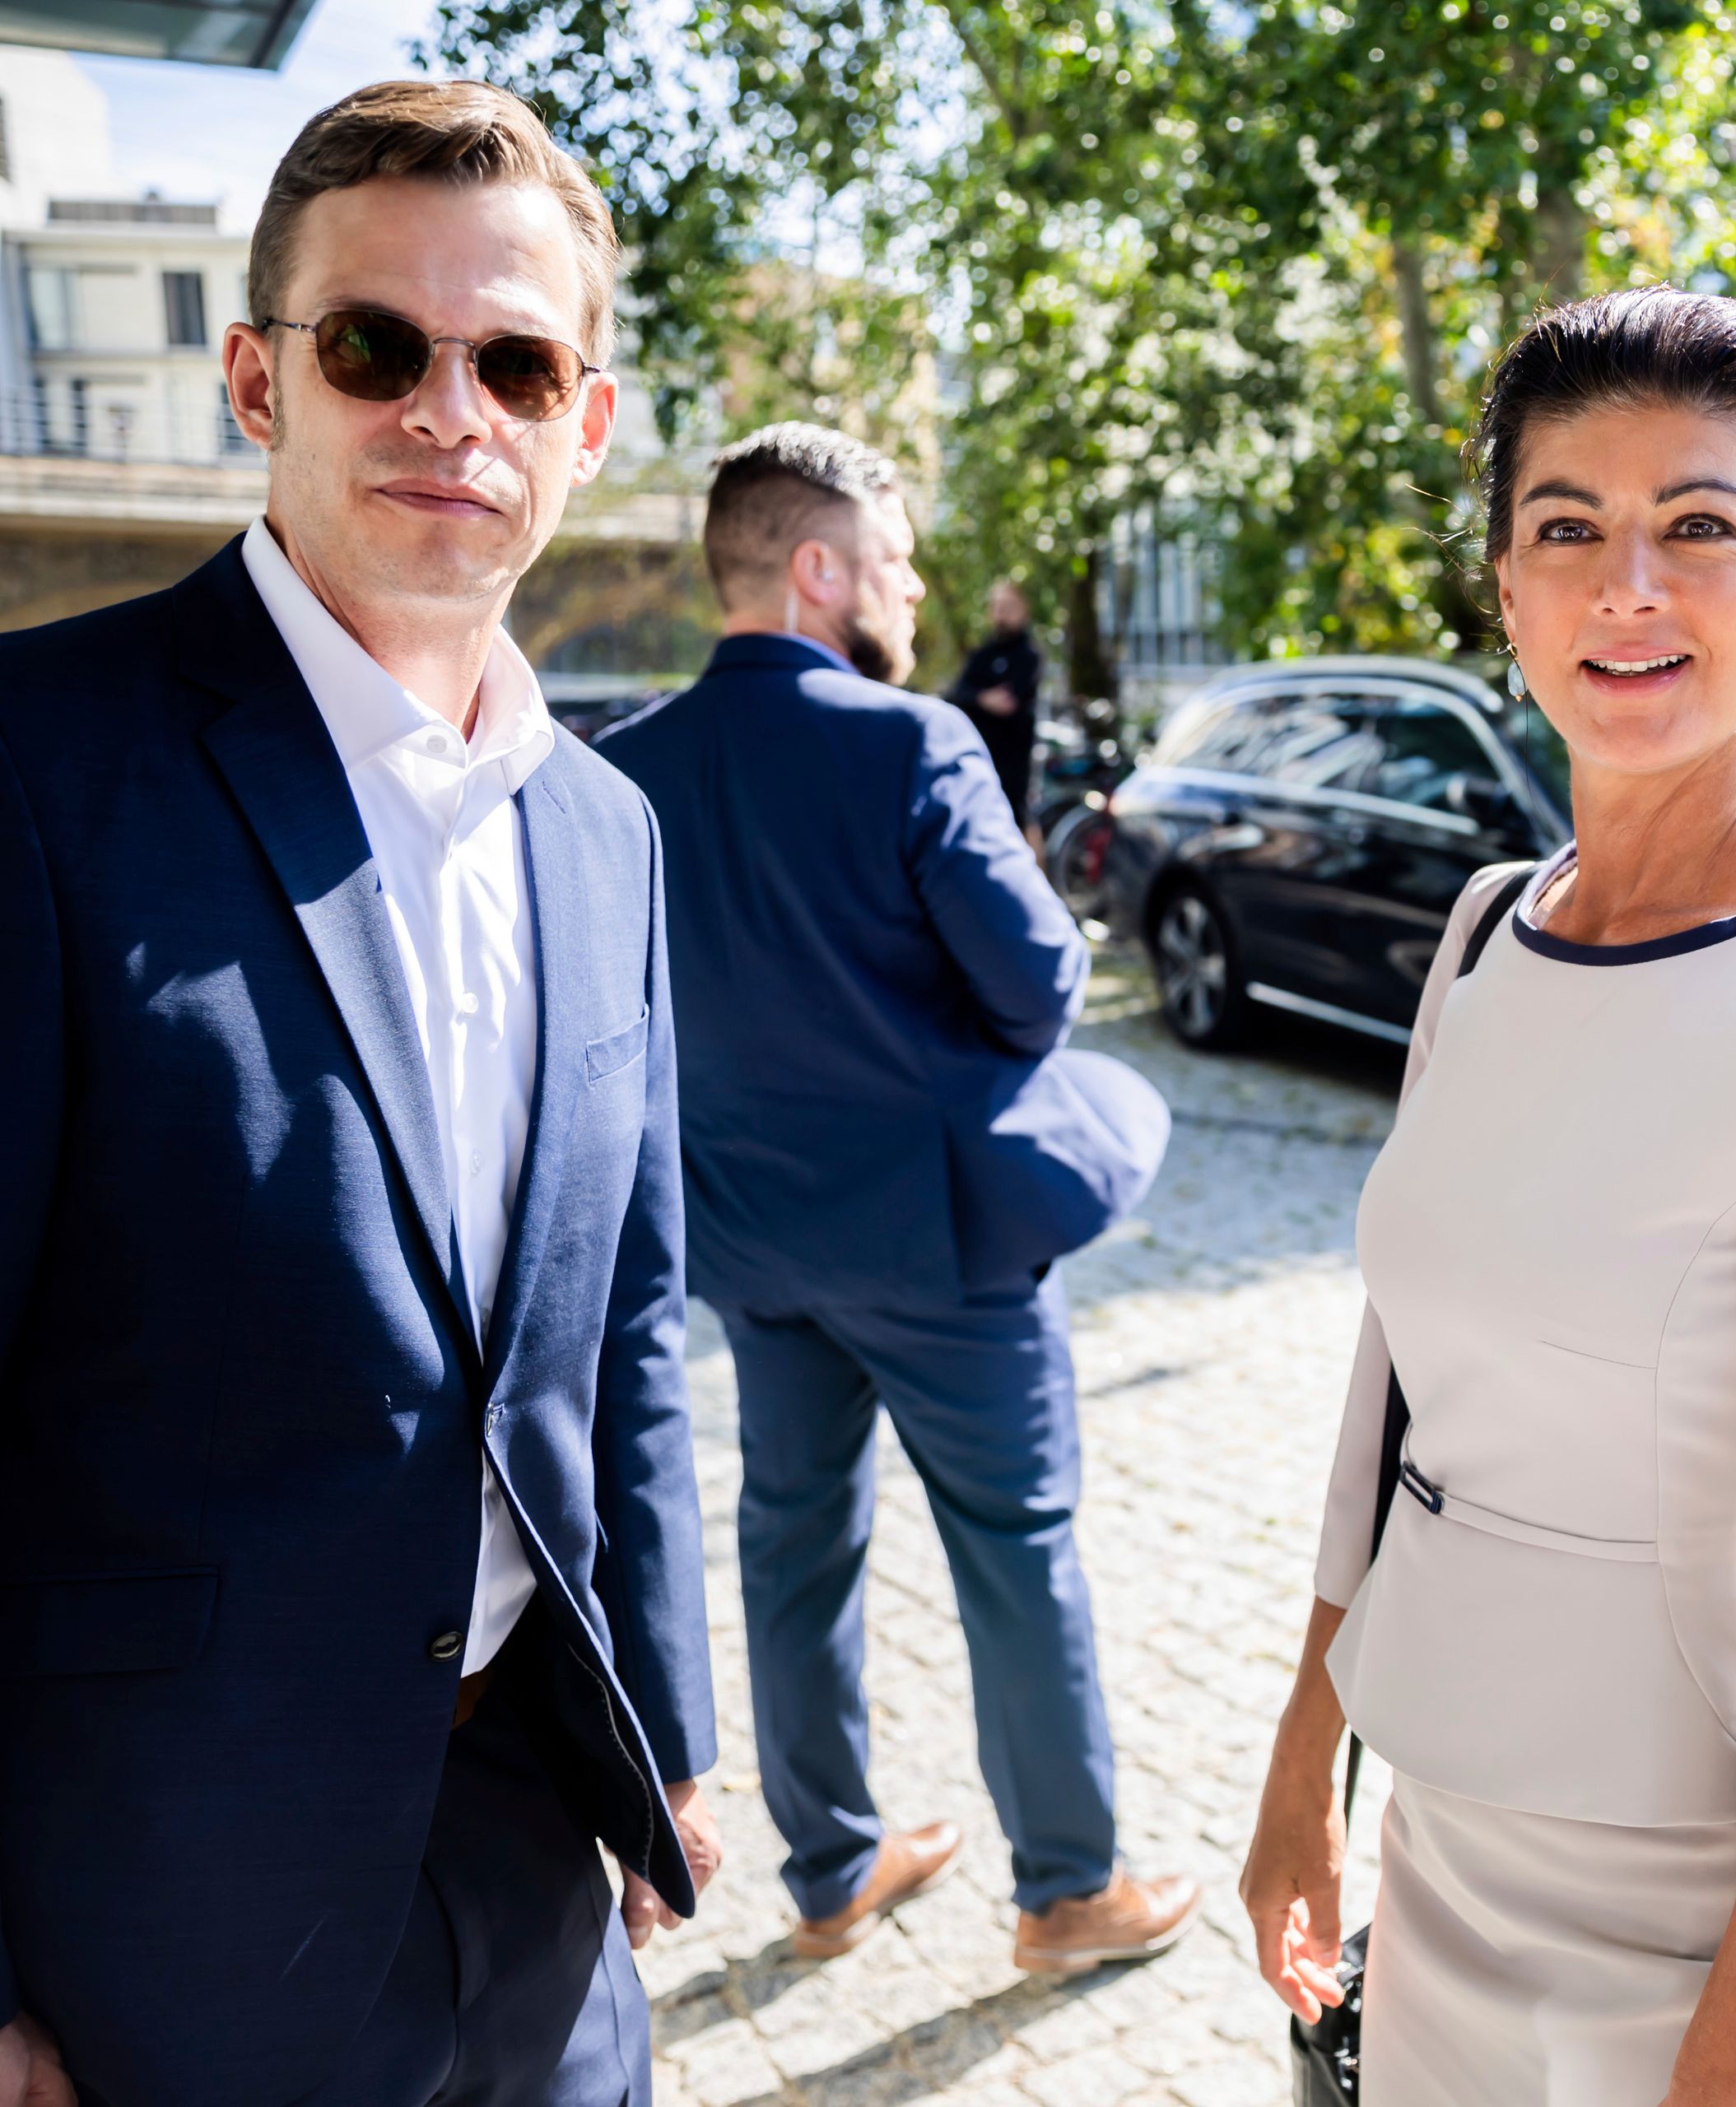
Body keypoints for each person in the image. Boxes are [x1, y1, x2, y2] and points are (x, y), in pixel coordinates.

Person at [0, 81, 719, 2107]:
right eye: (375, 346)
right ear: (257, 377)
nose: (445, 409)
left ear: (585, 421)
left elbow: (627, 1322)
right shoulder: (39, 768)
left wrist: (657, 1725)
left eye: (512, 359)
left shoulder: (607, 829)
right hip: (161, 1893)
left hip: (533, 1850)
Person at [1238, 288, 1736, 2106]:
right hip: (1440, 1851)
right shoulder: (1486, 928)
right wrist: (1303, 1765)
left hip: (1698, 1923)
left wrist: (1732, 2079)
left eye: (1702, 529)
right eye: (1566, 528)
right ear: (1506, 592)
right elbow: (1394, 1393)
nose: (1626, 586)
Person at [597, 424, 1191, 1977]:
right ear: (819, 569)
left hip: (751, 1250)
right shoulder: (912, 743)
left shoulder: (619, 774)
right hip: (940, 1245)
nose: (914, 584)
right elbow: (1042, 988)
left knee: (791, 1549)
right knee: (1017, 1543)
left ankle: (830, 1872)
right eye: (897, 554)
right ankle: (1067, 1892)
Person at [949, 579, 1043, 839]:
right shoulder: (983, 654)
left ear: (1023, 609)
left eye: (1009, 606)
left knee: (1020, 822)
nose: (1002, 614)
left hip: (1014, 762)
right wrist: (982, 698)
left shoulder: (1028, 655)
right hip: (981, 756)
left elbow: (1009, 701)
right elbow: (956, 693)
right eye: (998, 606)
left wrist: (979, 698)